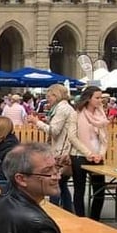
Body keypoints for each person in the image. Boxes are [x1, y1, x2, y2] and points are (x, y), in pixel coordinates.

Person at [34, 83, 76, 212]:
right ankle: (68, 211)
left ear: (56, 95)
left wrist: (37, 122)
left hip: (60, 151)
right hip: (61, 149)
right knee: (61, 184)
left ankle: (54, 212)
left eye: (50, 96)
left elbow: (54, 130)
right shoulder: (62, 108)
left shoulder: (62, 109)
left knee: (55, 184)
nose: (48, 99)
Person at [69, 86, 108, 220]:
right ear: (88, 98)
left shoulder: (101, 114)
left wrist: (101, 153)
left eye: (101, 98)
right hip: (79, 155)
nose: (100, 100)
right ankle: (80, 218)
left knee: (99, 190)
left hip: (98, 155)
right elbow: (72, 137)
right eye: (97, 98)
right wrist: (88, 153)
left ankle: (95, 218)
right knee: (80, 189)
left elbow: (104, 138)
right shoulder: (76, 114)